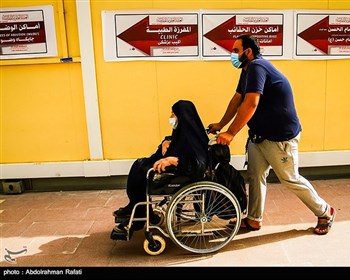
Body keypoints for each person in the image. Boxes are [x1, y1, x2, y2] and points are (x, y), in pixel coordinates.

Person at [207, 34, 336, 235]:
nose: (232, 55)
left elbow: (251, 103)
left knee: (290, 179)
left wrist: (231, 133)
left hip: (280, 138)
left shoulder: (258, 67)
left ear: (248, 52)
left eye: (235, 51)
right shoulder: (247, 69)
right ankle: (253, 219)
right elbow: (238, 99)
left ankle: (325, 211)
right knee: (255, 176)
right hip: (259, 135)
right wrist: (221, 124)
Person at [111, 100, 209, 240]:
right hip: (171, 168)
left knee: (142, 171)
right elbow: (176, 142)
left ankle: (140, 213)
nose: (171, 117)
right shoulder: (182, 131)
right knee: (139, 165)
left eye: (174, 114)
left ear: (182, 116)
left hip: (180, 172)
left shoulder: (191, 137)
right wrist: (165, 142)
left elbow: (198, 164)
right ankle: (135, 205)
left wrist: (174, 160)